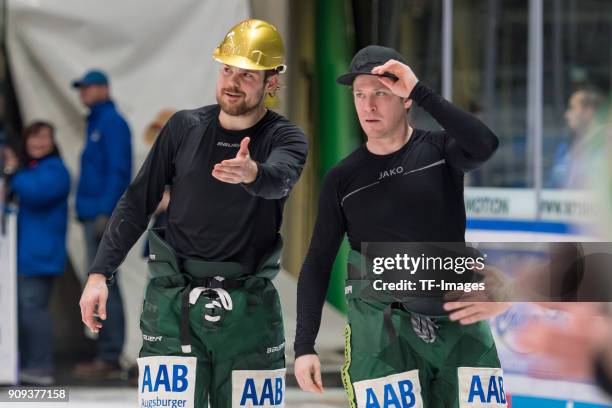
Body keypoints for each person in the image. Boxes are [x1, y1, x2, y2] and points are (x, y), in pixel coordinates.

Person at [78, 19, 307, 408]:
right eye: (227, 70)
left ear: (271, 81)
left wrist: (253, 173)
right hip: (172, 305)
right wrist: (100, 273)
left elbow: (280, 179)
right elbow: (137, 202)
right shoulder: (183, 127)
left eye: (247, 75)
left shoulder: (284, 137)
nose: (232, 82)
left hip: (249, 310)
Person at [294, 45, 508, 407]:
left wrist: (421, 90)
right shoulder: (342, 178)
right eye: (360, 95)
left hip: (458, 321)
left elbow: (485, 144)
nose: (368, 105)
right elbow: (318, 261)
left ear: (406, 98)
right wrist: (304, 346)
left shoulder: (440, 151)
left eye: (381, 92)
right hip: (381, 330)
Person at [71, 68, 132, 380]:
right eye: (81, 88)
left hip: (102, 216)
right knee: (101, 283)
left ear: (104, 89)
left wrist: (107, 212)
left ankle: (109, 356)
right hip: (93, 214)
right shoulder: (97, 121)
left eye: (89, 87)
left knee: (104, 282)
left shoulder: (112, 122)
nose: (83, 92)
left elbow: (119, 170)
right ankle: (106, 354)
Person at [2, 121, 70, 385]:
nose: (38, 143)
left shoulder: (56, 170)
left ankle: (41, 368)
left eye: (43, 138)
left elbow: (36, 193)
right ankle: (30, 364)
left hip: (40, 254)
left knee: (33, 310)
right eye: (33, 138)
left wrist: (12, 171)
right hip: (28, 254)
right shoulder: (35, 168)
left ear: (53, 142)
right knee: (27, 310)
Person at [548, 87, 604, 189]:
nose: (567, 115)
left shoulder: (606, 147)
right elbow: (553, 186)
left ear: (588, 112)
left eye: (572, 108)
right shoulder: (564, 147)